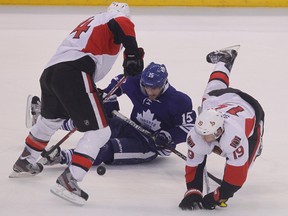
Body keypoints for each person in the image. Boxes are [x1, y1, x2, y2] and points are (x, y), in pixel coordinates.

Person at [9, 2, 145, 206]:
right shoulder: (116, 18)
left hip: (51, 74)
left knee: (50, 121)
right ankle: (70, 179)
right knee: (100, 132)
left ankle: (25, 161)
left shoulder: (93, 22)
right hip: (74, 72)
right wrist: (133, 53)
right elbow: (122, 23)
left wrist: (89, 88)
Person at [35, 62, 197, 167]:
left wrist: (169, 136)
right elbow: (117, 83)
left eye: (154, 88)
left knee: (108, 148)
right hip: (129, 126)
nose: (149, 91)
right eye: (146, 86)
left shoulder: (179, 101)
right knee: (94, 117)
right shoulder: (137, 82)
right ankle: (48, 121)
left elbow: (189, 128)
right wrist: (109, 98)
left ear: (164, 82)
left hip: (149, 145)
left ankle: (62, 157)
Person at [178, 46, 265, 210]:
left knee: (245, 164)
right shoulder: (197, 133)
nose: (204, 137)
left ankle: (257, 146)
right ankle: (225, 60)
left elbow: (237, 178)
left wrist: (221, 195)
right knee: (210, 93)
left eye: (208, 135)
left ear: (219, 130)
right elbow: (193, 164)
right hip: (220, 101)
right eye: (202, 133)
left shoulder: (234, 137)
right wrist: (193, 191)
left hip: (251, 111)